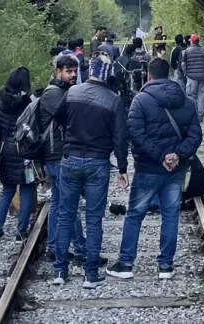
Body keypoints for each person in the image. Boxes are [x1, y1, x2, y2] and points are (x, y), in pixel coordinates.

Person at [106, 58, 202, 280]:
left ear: (149, 75)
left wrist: (161, 157)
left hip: (149, 168)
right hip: (176, 170)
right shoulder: (186, 101)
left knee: (134, 215)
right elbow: (196, 135)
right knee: (170, 215)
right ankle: (165, 267)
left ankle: (126, 263)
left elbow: (135, 134)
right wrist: (177, 155)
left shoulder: (141, 101)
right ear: (167, 74)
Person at [53, 52, 129, 289]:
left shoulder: (72, 93)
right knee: (94, 219)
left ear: (91, 71)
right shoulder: (114, 100)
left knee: (66, 215)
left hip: (70, 159)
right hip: (98, 163)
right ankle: (90, 275)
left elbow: (58, 118)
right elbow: (120, 138)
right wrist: (123, 168)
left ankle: (60, 271)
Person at [40, 55, 88, 262]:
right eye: (68, 71)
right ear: (58, 72)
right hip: (57, 154)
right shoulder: (53, 94)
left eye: (75, 71)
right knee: (70, 203)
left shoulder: (65, 92)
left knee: (59, 203)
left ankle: (53, 248)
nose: (73, 75)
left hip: (59, 153)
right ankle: (80, 249)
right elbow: (72, 118)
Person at [0, 67, 35, 243]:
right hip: (25, 151)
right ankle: (21, 232)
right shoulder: (28, 102)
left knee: (7, 190)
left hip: (7, 151)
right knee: (26, 189)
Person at [181, 34, 204, 122]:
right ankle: (200, 116)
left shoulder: (187, 51)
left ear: (191, 41)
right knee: (202, 96)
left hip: (191, 77)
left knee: (192, 96)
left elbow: (183, 64)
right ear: (198, 41)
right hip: (203, 77)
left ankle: (193, 114)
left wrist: (185, 73)